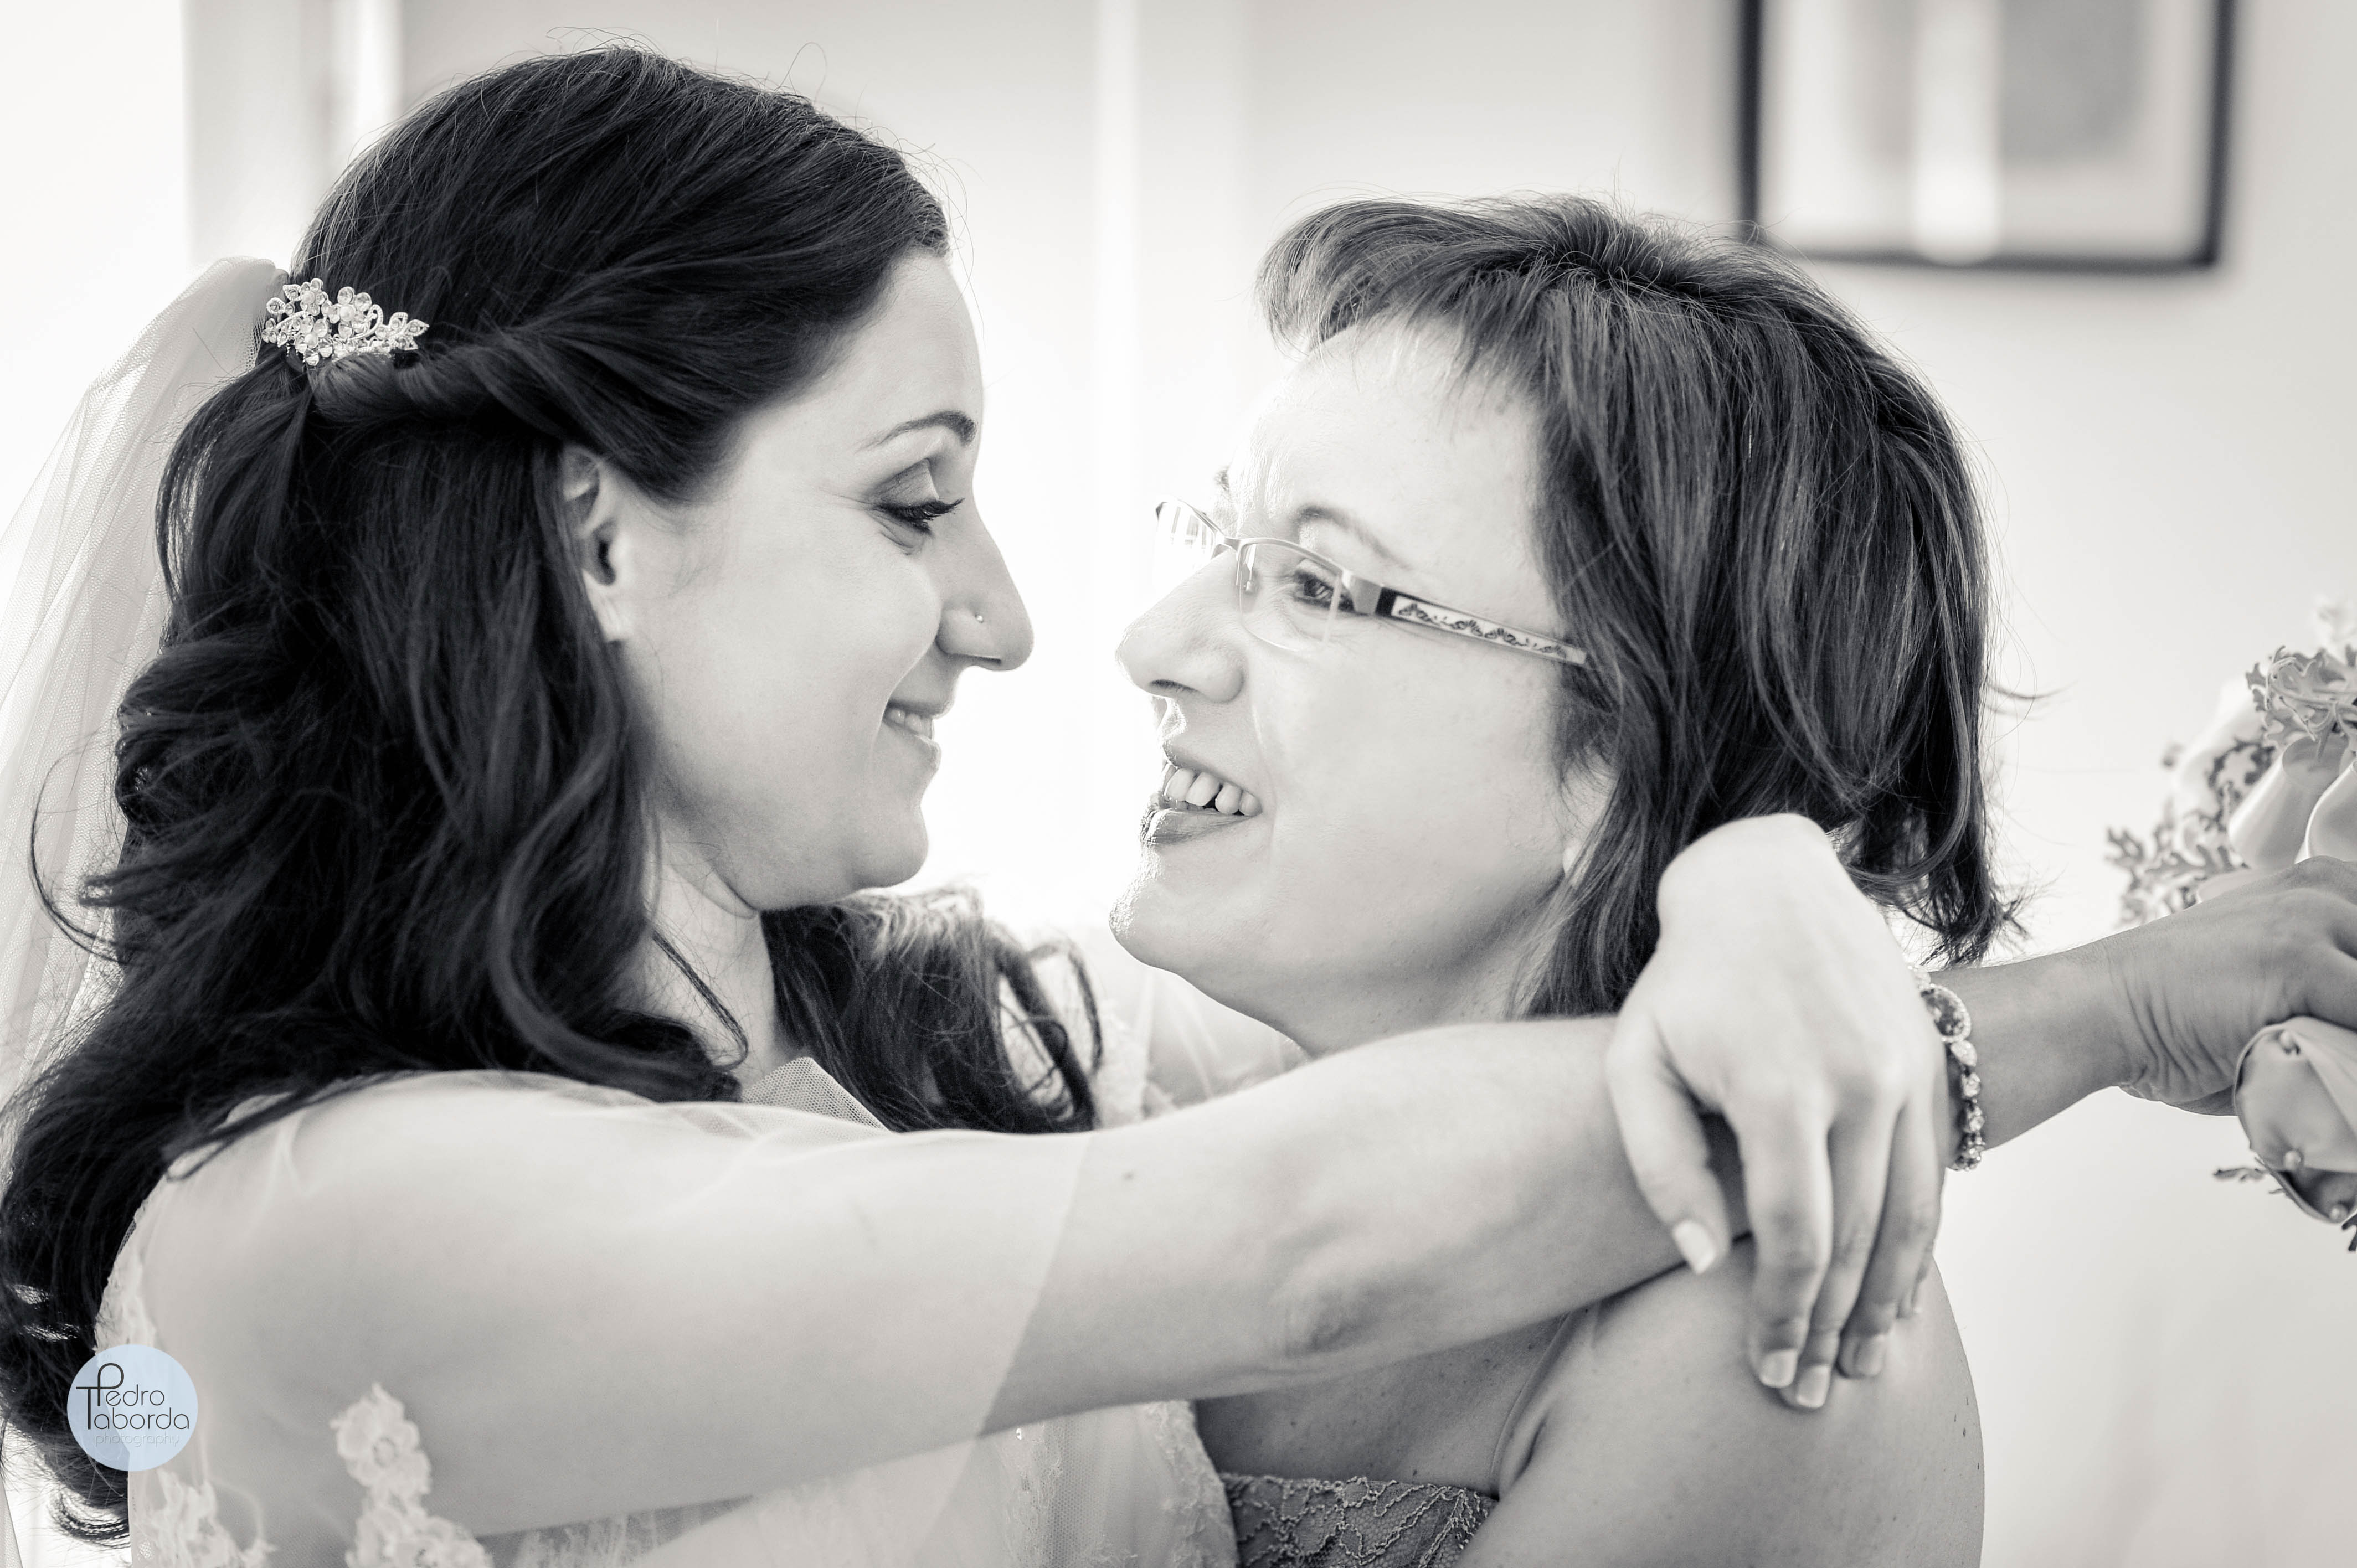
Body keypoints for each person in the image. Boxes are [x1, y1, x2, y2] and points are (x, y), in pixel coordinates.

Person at [0, 47, 2346, 1566]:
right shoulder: (325, 1213)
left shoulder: (974, 1056)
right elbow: (1307, 1231)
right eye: (910, 499)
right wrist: (2121, 995)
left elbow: (1425, 1131)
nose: (1071, 628)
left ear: (1618, 745)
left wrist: (1754, 872)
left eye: (1314, 580)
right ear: (596, 541)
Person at [1108, 193, 2357, 1566]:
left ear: (1623, 752)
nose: (1152, 642)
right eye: (1217, 539)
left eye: (1316, 585)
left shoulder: (1761, 1342)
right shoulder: (1118, 1079)